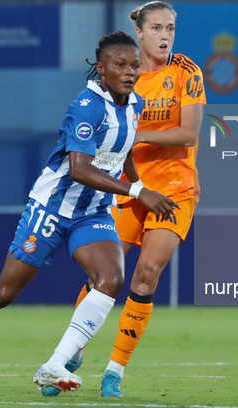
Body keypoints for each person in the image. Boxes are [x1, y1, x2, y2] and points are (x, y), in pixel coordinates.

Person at [0, 31, 180, 399]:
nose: (129, 71)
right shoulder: (86, 106)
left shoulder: (135, 105)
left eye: (134, 64)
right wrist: (139, 191)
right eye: (119, 65)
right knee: (3, 292)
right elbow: (79, 169)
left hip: (93, 212)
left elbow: (124, 153)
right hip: (52, 208)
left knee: (110, 276)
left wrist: (137, 191)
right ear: (101, 69)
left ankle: (55, 364)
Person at [41, 0, 206, 398]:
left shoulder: (187, 72)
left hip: (174, 190)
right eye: (157, 28)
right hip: (128, 190)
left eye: (171, 28)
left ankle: (114, 371)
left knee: (146, 274)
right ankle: (69, 353)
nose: (165, 35)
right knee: (101, 277)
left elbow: (189, 133)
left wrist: (135, 133)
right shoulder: (120, 77)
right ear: (140, 33)